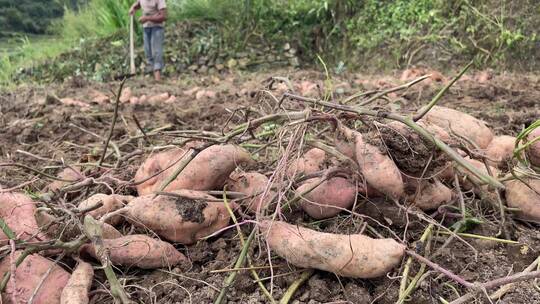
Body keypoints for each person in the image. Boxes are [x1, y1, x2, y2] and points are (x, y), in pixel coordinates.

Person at [129, 0, 167, 82]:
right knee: (148, 52)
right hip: (146, 28)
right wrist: (133, 7)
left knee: (156, 52)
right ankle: (151, 76)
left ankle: (158, 77)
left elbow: (163, 17)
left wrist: (147, 18)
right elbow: (139, 3)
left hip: (157, 28)